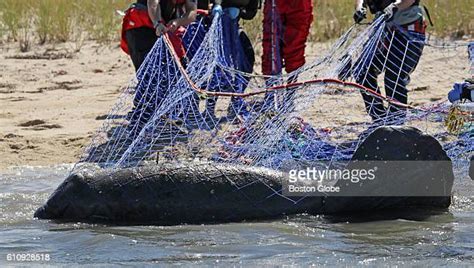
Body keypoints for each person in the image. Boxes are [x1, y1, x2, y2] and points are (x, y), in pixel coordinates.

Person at [353, 0, 427, 124]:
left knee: (394, 75)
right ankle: (379, 119)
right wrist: (359, 7)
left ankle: (396, 123)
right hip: (384, 30)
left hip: (408, 30)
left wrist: (394, 7)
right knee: (362, 70)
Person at [201, 0, 259, 126]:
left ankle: (235, 103)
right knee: (220, 68)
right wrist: (216, 7)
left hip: (234, 26)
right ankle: (209, 109)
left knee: (248, 58)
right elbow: (206, 5)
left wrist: (239, 12)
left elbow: (251, 13)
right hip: (215, 27)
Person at [261, 0, 314, 111]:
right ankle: (271, 96)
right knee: (271, 47)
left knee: (295, 50)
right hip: (276, 4)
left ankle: (290, 97)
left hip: (300, 5)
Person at [120, 0, 198, 71]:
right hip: (140, 26)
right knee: (147, 70)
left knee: (169, 69)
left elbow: (192, 12)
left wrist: (177, 22)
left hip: (161, 27)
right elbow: (153, 4)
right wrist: (158, 23)